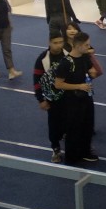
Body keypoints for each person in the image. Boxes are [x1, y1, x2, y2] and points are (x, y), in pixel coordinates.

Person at [53, 31, 100, 165]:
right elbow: (58, 84)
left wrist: (92, 73)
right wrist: (79, 86)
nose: (89, 47)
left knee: (87, 125)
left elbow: (92, 71)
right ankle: (72, 157)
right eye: (86, 45)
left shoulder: (85, 57)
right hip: (72, 101)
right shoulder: (66, 63)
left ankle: (85, 151)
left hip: (86, 97)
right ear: (78, 46)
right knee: (74, 129)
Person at [33, 29, 68, 163]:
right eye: (55, 43)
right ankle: (55, 148)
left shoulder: (68, 55)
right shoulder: (42, 59)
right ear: (49, 43)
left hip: (68, 96)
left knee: (68, 120)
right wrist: (40, 99)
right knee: (54, 124)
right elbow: (36, 80)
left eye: (61, 42)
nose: (58, 45)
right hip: (52, 98)